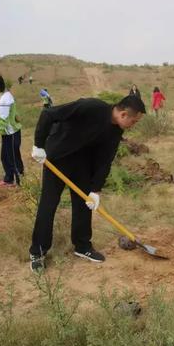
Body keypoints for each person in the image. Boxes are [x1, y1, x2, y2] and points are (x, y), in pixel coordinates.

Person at [29, 95, 146, 272]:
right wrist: (39, 145)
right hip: (58, 159)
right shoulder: (91, 107)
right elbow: (49, 114)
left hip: (82, 164)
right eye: (134, 121)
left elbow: (105, 160)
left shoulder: (116, 131)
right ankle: (37, 252)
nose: (134, 125)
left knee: (84, 204)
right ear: (123, 114)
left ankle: (82, 246)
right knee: (49, 204)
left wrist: (96, 190)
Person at [0, 75, 24, 187]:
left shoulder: (4, 99)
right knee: (5, 157)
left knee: (13, 159)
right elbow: (13, 112)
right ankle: (8, 179)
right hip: (8, 133)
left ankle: (20, 183)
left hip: (11, 134)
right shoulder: (4, 95)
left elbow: (3, 122)